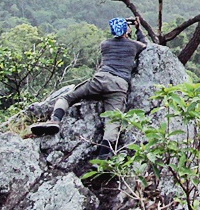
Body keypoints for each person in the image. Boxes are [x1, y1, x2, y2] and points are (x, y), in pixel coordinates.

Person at [30, 16, 147, 158]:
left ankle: (55, 120)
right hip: (118, 85)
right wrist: (138, 29)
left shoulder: (105, 44)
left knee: (69, 97)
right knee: (113, 120)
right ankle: (104, 155)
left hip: (100, 79)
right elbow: (145, 45)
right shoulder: (133, 45)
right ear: (126, 30)